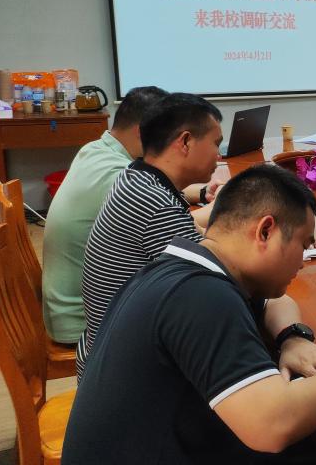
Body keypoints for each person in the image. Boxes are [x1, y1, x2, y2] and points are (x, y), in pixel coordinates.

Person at [58, 164, 316, 465]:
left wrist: (292, 338)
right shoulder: (202, 298)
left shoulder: (187, 267)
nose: (303, 260)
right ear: (265, 231)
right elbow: (272, 425)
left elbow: (277, 302)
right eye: (303, 243)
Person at [76, 92, 223, 378]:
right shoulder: (156, 204)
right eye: (216, 143)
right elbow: (217, 284)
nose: (218, 154)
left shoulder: (136, 177)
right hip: (119, 374)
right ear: (185, 141)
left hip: (106, 350)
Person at [40, 86, 167, 346]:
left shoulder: (95, 150)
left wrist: (200, 192)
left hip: (65, 309)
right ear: (143, 131)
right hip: (85, 323)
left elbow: (156, 189)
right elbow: (170, 226)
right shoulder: (118, 174)